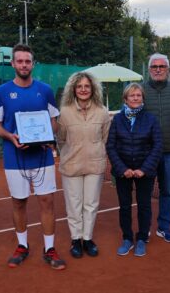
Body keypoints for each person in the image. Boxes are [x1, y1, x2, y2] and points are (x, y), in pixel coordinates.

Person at [0, 44, 66, 270]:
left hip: (42, 156)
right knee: (19, 202)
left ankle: (49, 248)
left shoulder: (45, 90)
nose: (24, 65)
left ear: (33, 64)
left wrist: (46, 135)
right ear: (13, 64)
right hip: (15, 157)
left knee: (47, 202)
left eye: (27, 61)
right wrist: (10, 136)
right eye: (19, 61)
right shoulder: (2, 91)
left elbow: (54, 121)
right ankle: (22, 246)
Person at [56, 72, 111, 258]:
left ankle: (87, 238)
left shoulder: (102, 111)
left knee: (91, 204)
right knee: (74, 205)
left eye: (87, 86)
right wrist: (71, 153)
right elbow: (61, 139)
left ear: (93, 88)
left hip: (95, 166)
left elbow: (105, 138)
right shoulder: (64, 112)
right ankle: (75, 239)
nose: (83, 89)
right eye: (79, 86)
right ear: (73, 89)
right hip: (71, 165)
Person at [106, 83, 162, 257]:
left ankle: (142, 238)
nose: (136, 98)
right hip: (123, 172)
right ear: (126, 99)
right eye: (132, 95)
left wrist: (143, 169)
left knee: (144, 206)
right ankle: (127, 238)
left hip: (145, 172)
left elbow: (157, 145)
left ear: (142, 98)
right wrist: (123, 169)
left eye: (138, 95)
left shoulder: (151, 119)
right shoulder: (117, 119)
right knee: (124, 206)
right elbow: (111, 146)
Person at [142, 53, 170, 243]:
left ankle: (164, 227)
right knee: (146, 192)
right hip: (146, 154)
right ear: (149, 70)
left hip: (169, 152)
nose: (158, 70)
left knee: (167, 191)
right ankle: (145, 228)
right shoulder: (139, 90)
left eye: (162, 67)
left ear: (168, 69)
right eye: (154, 67)